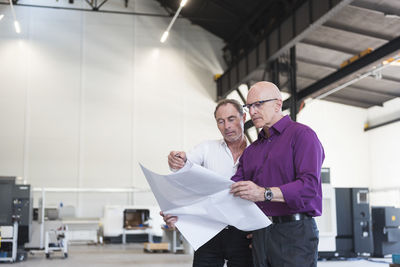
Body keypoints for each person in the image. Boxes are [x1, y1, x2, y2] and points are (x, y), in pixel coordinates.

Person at [230, 81, 325, 267]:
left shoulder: (302, 135)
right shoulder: (251, 151)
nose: (252, 111)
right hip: (260, 232)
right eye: (249, 106)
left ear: (278, 104)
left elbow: (309, 187)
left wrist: (264, 193)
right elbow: (230, 190)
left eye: (258, 104)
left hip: (295, 233)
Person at [161, 99, 253, 267]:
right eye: (220, 121)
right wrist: (176, 159)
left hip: (244, 234)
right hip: (209, 233)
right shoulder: (206, 148)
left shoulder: (257, 152)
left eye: (231, 119)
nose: (227, 126)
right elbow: (183, 165)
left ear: (244, 117)